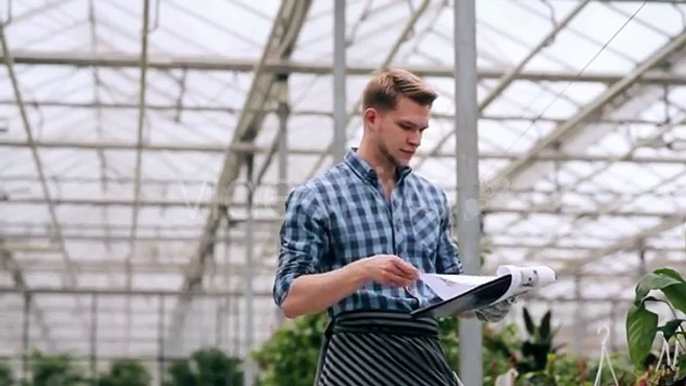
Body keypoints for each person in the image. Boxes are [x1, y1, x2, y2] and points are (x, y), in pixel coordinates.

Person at [272, 68, 513, 386]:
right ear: (372, 119)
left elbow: (451, 288)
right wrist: (364, 270)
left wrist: (493, 296)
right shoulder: (317, 197)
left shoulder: (431, 198)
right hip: (355, 362)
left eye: (422, 130)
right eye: (406, 127)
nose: (415, 140)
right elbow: (291, 298)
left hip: (423, 360)